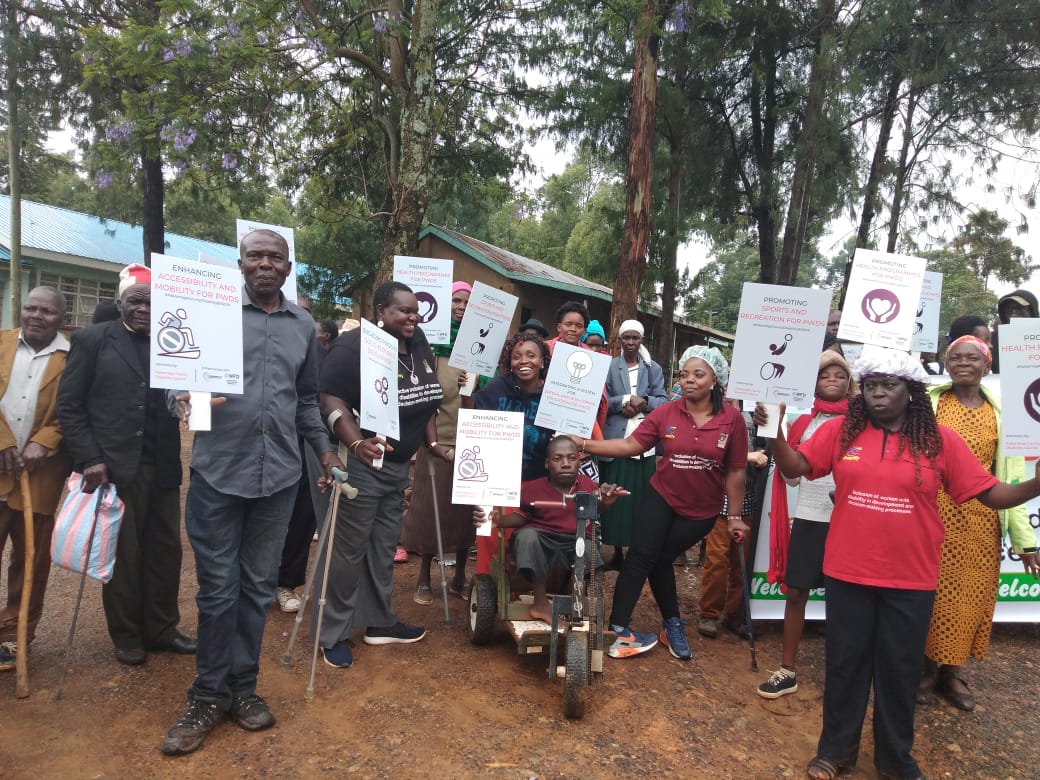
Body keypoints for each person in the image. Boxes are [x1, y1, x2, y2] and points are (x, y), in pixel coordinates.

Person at [756, 345, 1040, 780]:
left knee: (899, 670)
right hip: (847, 572)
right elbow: (797, 465)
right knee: (845, 664)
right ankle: (835, 753)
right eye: (870, 386)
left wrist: (1037, 483)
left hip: (911, 578)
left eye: (889, 386)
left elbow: (991, 494)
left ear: (911, 391)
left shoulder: (939, 440)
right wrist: (775, 431)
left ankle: (895, 759)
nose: (878, 395)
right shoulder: (841, 432)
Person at [160, 229, 342, 755]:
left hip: (279, 477)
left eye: (275, 258)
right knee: (218, 591)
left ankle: (243, 690)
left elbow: (306, 399)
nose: (265, 264)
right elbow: (178, 379)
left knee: (257, 589)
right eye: (255, 256)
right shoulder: (210, 312)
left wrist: (326, 452)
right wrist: (186, 401)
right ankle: (206, 696)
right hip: (219, 474)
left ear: (288, 268)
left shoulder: (302, 325)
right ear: (240, 263)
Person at [58, 266, 194, 668]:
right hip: (114, 470)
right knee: (122, 555)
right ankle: (128, 635)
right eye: (136, 301)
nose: (144, 309)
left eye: (153, 302)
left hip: (164, 467)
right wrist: (90, 459)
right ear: (120, 304)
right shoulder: (91, 341)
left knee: (165, 553)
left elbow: (190, 395)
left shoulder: (175, 344)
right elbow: (69, 405)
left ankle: (163, 629)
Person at [577, 346, 750, 661]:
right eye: (685, 374)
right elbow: (631, 444)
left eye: (699, 375)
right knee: (641, 556)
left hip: (702, 511)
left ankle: (670, 625)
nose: (689, 381)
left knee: (657, 558)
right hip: (661, 496)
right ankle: (622, 629)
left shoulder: (732, 421)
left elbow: (737, 469)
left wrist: (735, 515)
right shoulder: (666, 412)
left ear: (715, 380)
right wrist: (585, 443)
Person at [316, 281, 442, 669]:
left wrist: (433, 444)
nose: (413, 317)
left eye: (415, 310)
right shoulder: (354, 346)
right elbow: (329, 398)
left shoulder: (417, 340)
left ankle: (377, 621)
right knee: (349, 548)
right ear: (381, 312)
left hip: (399, 465)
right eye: (403, 311)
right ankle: (332, 632)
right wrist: (355, 444)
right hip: (364, 463)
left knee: (384, 545)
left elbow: (426, 396)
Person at [918, 335, 1039, 711]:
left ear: (988, 365)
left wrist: (1026, 542)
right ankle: (922, 668)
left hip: (980, 520)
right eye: (956, 357)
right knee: (926, 595)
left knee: (968, 599)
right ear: (946, 363)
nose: (964, 363)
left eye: (974, 357)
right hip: (930, 516)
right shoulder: (927, 403)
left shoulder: (1004, 413)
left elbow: (1012, 479)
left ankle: (951, 673)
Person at [755, 351, 856, 698]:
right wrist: (774, 430)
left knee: (846, 602)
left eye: (839, 375)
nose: (831, 379)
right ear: (813, 383)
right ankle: (788, 670)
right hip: (811, 520)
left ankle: (845, 677)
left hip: (849, 523)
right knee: (796, 592)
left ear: (849, 383)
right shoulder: (802, 424)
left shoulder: (861, 424)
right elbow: (792, 477)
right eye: (824, 375)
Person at [475, 437, 627, 622]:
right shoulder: (533, 488)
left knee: (588, 548)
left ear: (579, 461)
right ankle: (540, 603)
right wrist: (500, 521)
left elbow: (594, 510)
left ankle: (577, 599)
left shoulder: (588, 486)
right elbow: (523, 516)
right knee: (527, 537)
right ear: (547, 464)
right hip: (542, 537)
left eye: (571, 458)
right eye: (557, 459)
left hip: (574, 539)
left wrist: (604, 501)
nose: (565, 464)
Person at [0, 287, 71, 672]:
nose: (36, 315)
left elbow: (75, 409)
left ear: (61, 317)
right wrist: (4, 442)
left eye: (46, 311)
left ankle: (15, 640)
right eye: (30, 307)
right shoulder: (2, 342)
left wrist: (45, 442)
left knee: (30, 561)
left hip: (40, 476)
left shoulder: (72, 358)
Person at [401, 281, 476, 605]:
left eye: (467, 302)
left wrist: (470, 387)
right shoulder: (430, 346)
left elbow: (477, 400)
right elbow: (426, 397)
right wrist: (432, 444)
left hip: (470, 440)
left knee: (463, 513)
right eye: (456, 301)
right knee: (431, 511)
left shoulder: (478, 349)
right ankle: (423, 579)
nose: (461, 306)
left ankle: (459, 577)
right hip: (436, 439)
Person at [599, 319, 667, 571]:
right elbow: (603, 397)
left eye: (634, 338)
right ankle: (616, 552)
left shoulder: (653, 369)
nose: (630, 343)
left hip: (644, 440)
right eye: (625, 338)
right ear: (619, 340)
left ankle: (634, 554)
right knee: (615, 496)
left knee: (639, 498)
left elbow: (662, 401)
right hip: (617, 437)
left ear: (641, 341)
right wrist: (626, 400)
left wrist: (643, 402)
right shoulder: (609, 366)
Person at [698, 400, 769, 640]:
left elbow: (773, 445)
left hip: (749, 498)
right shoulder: (716, 413)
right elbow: (711, 449)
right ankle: (709, 613)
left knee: (742, 562)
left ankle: (734, 613)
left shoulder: (756, 412)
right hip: (720, 501)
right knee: (717, 559)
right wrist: (749, 456)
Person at [468, 333, 553, 481]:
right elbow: (471, 420)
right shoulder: (496, 387)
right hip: (496, 476)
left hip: (538, 480)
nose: (524, 361)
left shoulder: (552, 396)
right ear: (510, 364)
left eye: (531, 356)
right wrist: (466, 392)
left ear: (542, 362)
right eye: (516, 357)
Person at [990, 289, 1037, 372]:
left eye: (1020, 308)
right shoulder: (992, 340)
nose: (1014, 313)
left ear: (1032, 311)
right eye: (1009, 309)